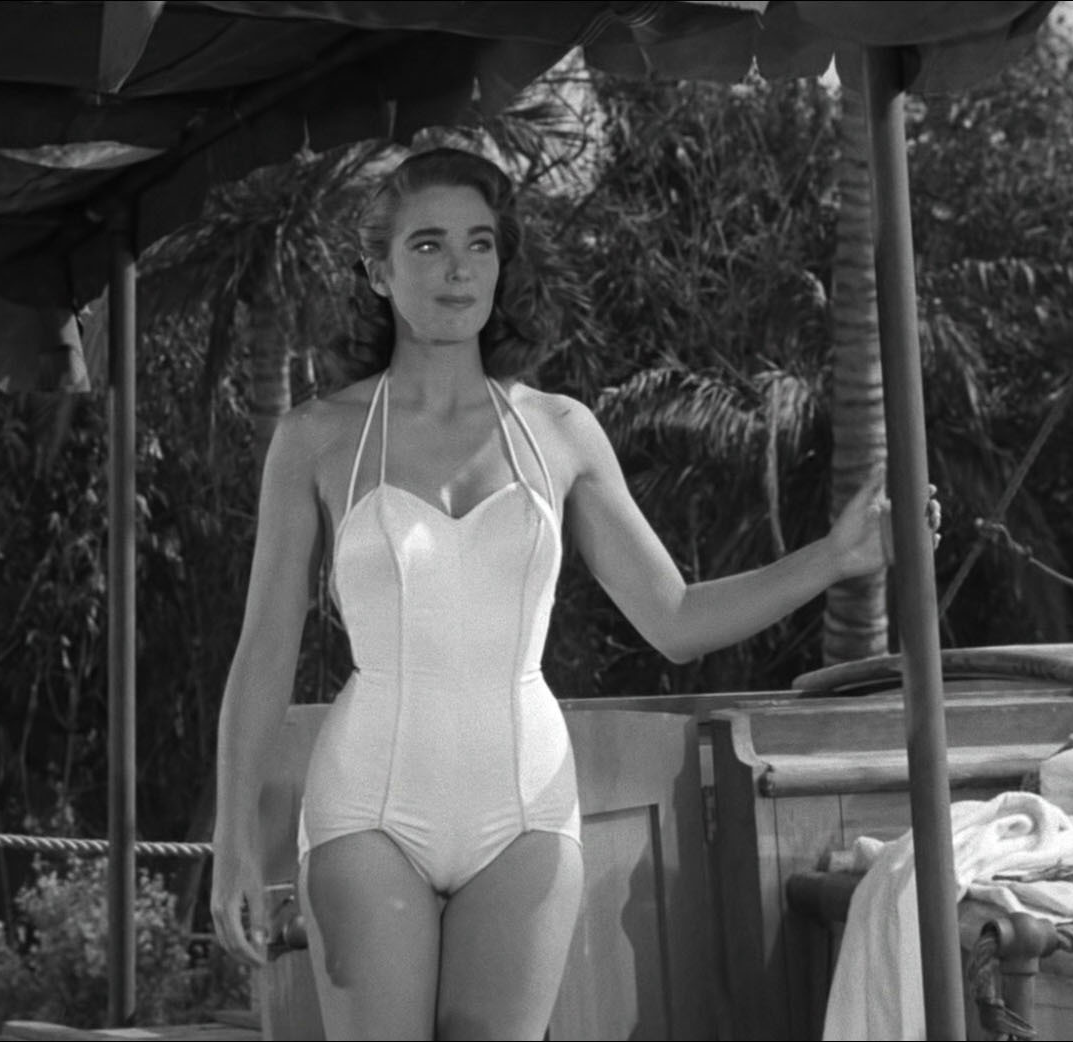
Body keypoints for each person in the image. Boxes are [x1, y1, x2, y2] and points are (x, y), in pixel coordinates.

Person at [211, 147, 910, 1040]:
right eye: (426, 245)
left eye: (479, 243)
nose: (458, 268)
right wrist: (235, 839)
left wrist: (836, 557)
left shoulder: (561, 431)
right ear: (377, 272)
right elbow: (265, 649)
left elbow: (675, 619)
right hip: (367, 810)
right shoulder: (315, 438)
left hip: (525, 814)